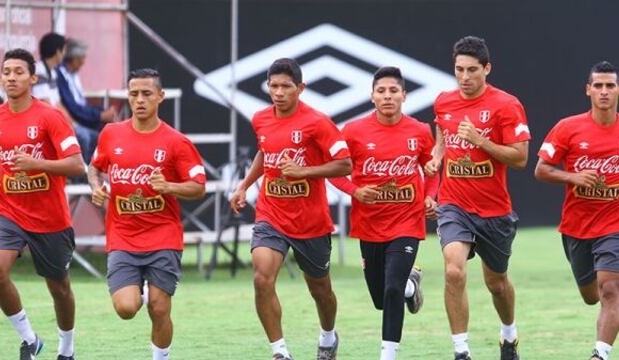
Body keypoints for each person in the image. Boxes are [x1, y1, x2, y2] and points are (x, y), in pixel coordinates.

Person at [229, 58, 351, 360]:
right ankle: (280, 352)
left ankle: (327, 335)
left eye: (286, 86)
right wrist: (244, 186)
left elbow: (344, 164)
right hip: (271, 215)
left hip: (311, 222)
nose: (279, 92)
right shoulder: (260, 119)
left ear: (301, 88)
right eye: (273, 86)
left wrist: (304, 171)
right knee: (261, 277)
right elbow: (265, 151)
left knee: (320, 290)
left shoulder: (318, 122)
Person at [88, 68, 206, 360]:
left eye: (146, 94)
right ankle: (137, 289)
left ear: (160, 97)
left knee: (160, 307)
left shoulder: (177, 141)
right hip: (123, 236)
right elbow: (94, 167)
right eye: (133, 94)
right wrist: (97, 187)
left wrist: (170, 186)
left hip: (162, 236)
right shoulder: (111, 133)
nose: (139, 100)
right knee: (126, 308)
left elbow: (199, 186)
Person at [424, 36, 530, 360]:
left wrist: (480, 141)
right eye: (459, 70)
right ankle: (461, 351)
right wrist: (437, 155)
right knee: (453, 270)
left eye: (472, 70)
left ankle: (509, 335)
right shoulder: (443, 100)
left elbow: (521, 157)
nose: (465, 77)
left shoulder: (506, 105)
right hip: (454, 204)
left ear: (487, 68)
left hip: (494, 210)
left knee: (497, 283)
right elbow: (442, 128)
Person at [328, 66, 438, 360]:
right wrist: (355, 191)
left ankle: (387, 355)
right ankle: (410, 284)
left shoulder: (419, 131)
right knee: (381, 298)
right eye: (381, 91)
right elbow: (334, 171)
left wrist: (429, 197)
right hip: (369, 225)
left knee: (391, 288)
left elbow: (432, 170)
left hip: (407, 223)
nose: (387, 96)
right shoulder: (353, 131)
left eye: (393, 91)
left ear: (404, 95)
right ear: (372, 96)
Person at [534, 61, 619, 360]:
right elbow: (541, 170)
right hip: (577, 227)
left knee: (610, 290)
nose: (604, 92)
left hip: (618, 222)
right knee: (592, 297)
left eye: (609, 86)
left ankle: (599, 354)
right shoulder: (568, 127)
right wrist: (572, 176)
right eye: (598, 86)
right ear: (588, 90)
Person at [0, 48, 86, 360]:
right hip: (8, 211)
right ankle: (29, 339)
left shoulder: (50, 116)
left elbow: (76, 165)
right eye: (6, 72)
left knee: (59, 289)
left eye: (19, 72)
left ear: (32, 78)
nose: (11, 77)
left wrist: (37, 163)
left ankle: (67, 350)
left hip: (50, 218)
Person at [56, 38, 116, 163]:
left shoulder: (73, 74)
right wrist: (99, 115)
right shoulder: (60, 75)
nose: (83, 62)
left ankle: (96, 170)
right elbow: (73, 108)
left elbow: (82, 103)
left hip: (80, 116)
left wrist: (102, 112)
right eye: (82, 58)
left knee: (111, 128)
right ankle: (81, 175)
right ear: (74, 58)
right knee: (90, 136)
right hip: (71, 119)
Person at [33, 32, 66, 107]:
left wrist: (69, 119)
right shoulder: (39, 71)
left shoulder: (53, 73)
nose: (65, 54)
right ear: (58, 52)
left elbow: (58, 104)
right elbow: (45, 104)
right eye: (64, 50)